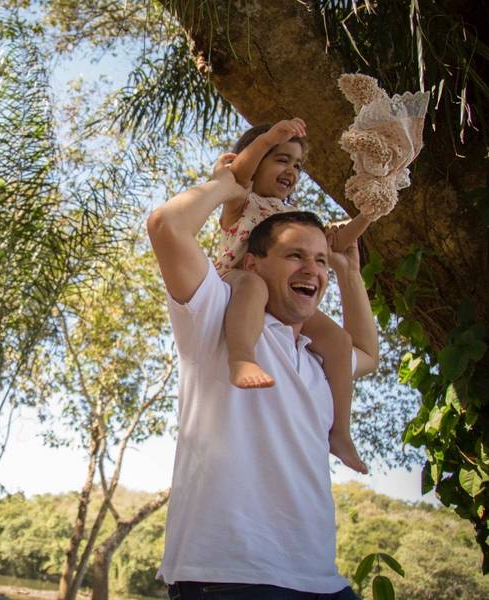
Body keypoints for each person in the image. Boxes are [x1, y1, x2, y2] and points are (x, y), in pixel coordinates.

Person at [147, 156, 378, 597]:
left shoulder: (317, 357)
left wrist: (349, 273)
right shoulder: (216, 319)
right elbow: (166, 227)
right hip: (231, 576)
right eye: (295, 256)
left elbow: (366, 352)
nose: (313, 269)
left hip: (318, 578)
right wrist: (225, 185)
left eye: (320, 261)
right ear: (254, 265)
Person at [215, 118, 370, 475]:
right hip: (239, 280)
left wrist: (368, 213)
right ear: (257, 163)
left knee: (338, 339)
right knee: (254, 288)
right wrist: (269, 137)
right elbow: (238, 173)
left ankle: (341, 431)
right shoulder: (241, 201)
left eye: (297, 165)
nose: (292, 170)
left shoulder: (294, 218)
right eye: (281, 159)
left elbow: (339, 243)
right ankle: (242, 358)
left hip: (279, 294)